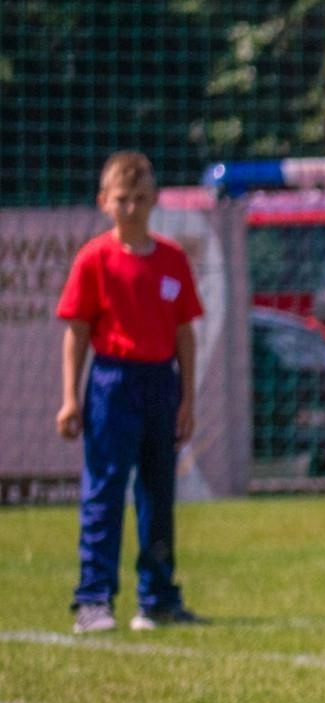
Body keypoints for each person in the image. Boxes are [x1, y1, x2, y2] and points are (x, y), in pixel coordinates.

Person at [56, 151, 205, 634]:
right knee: (103, 492)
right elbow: (76, 332)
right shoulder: (94, 259)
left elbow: (185, 333)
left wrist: (187, 399)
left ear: (156, 199)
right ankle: (93, 600)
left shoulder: (172, 260)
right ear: (104, 201)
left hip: (161, 383)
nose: (132, 208)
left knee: (158, 492)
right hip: (112, 383)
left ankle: (158, 598)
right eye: (122, 199)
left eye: (141, 198)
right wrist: (71, 398)